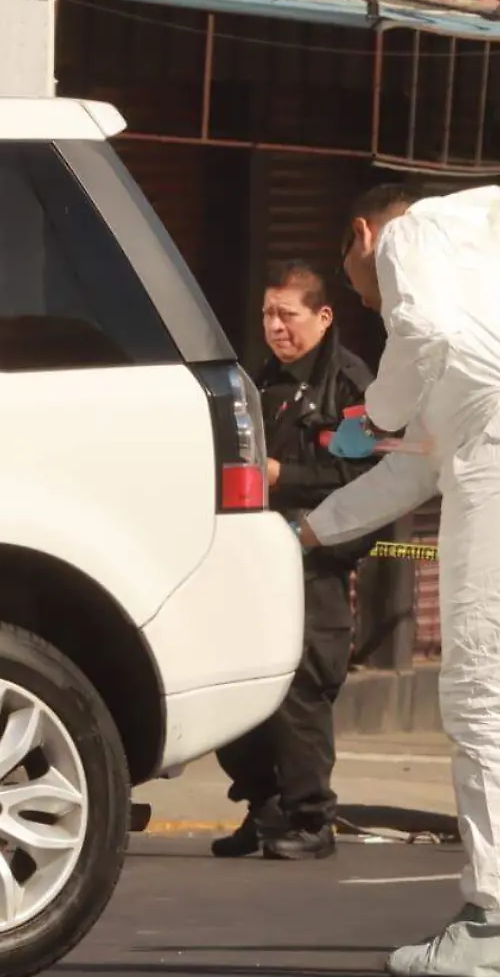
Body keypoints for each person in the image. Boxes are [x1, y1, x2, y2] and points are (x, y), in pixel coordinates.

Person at [290, 184, 500, 977]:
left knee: (490, 691)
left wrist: (379, 410)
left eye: (354, 280)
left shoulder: (414, 240)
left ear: (361, 233)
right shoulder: (483, 296)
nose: (366, 302)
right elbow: (418, 472)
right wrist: (312, 528)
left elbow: (417, 349)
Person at [212, 259, 377, 861]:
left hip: (317, 564)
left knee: (303, 689)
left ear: (323, 316)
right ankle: (266, 807)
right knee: (238, 686)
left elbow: (364, 475)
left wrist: (287, 477)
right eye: (267, 314)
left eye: (288, 315)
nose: (276, 327)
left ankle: (312, 821)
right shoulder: (265, 381)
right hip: (257, 559)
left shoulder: (351, 386)